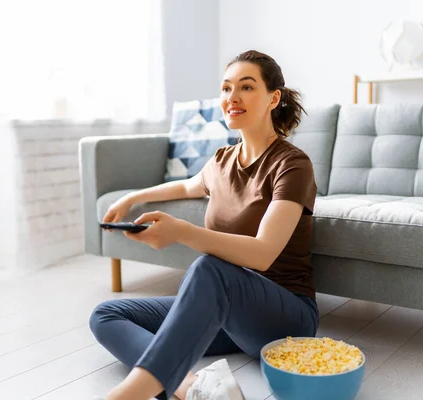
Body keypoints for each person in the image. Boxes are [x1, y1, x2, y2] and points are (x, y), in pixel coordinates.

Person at [89, 50, 319, 400]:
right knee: (107, 314)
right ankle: (189, 386)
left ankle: (130, 394)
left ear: (274, 98)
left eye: (246, 87)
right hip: (230, 314)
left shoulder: (291, 164)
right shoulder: (222, 160)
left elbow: (263, 254)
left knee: (209, 268)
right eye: (226, 88)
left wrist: (180, 231)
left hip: (285, 316)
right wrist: (131, 198)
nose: (232, 98)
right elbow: (184, 186)